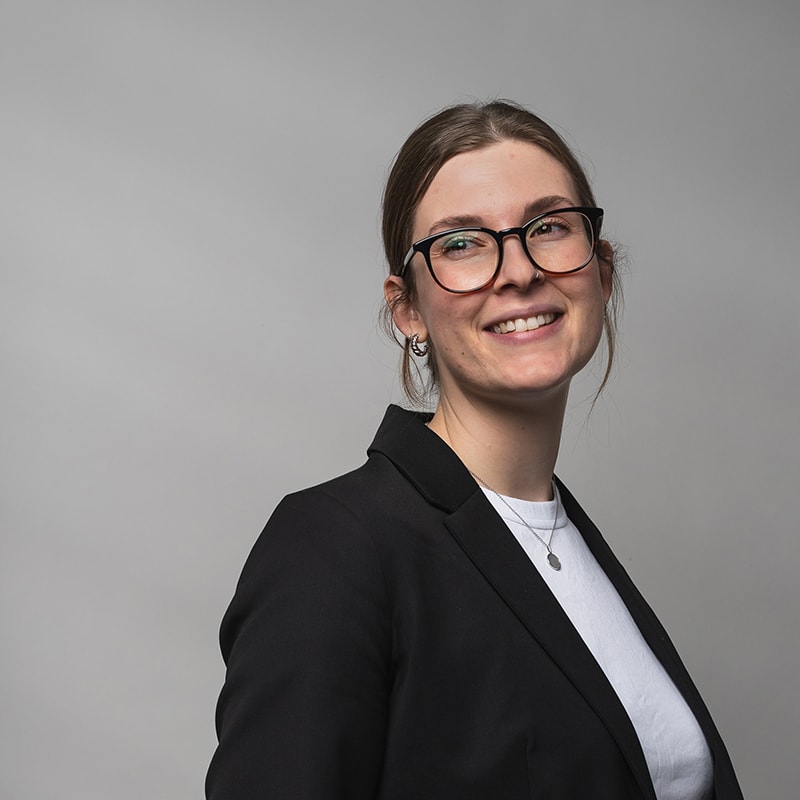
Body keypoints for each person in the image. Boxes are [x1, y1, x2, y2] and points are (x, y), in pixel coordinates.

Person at [206, 100, 743, 799]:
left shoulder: (572, 547)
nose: (518, 271)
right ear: (408, 309)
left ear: (602, 272)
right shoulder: (336, 546)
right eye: (461, 243)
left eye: (548, 227)